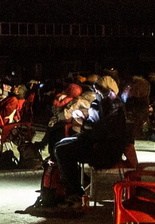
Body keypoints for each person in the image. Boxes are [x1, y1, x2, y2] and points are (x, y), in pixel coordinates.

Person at [49, 76, 130, 206]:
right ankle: (73, 184)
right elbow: (97, 126)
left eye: (98, 90)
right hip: (99, 143)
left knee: (62, 150)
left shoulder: (109, 105)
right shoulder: (108, 103)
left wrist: (85, 124)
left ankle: (74, 191)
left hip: (102, 149)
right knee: (60, 144)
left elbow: (100, 130)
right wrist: (85, 120)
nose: (95, 92)